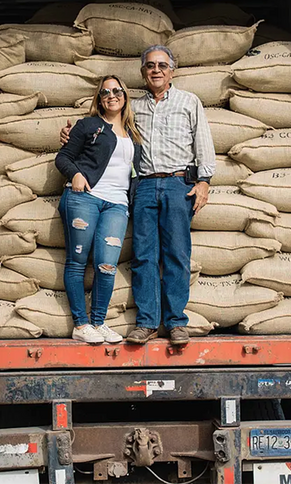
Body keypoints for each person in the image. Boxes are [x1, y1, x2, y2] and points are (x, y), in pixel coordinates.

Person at [61, 46, 215, 346]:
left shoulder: (188, 102)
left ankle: (176, 323)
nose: (156, 70)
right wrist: (71, 136)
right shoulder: (134, 108)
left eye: (162, 65)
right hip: (143, 186)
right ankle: (146, 322)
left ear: (173, 70)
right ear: (143, 71)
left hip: (177, 183)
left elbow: (203, 142)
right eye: (150, 66)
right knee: (144, 256)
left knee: (177, 255)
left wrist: (204, 180)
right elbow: (102, 127)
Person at [55, 75, 141, 344]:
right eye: (105, 92)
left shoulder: (134, 135)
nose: (111, 95)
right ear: (99, 99)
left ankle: (99, 322)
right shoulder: (89, 125)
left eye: (117, 90)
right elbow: (64, 157)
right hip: (85, 198)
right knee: (77, 261)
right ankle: (81, 325)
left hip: (117, 203)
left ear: (125, 96)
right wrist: (76, 175)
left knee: (107, 265)